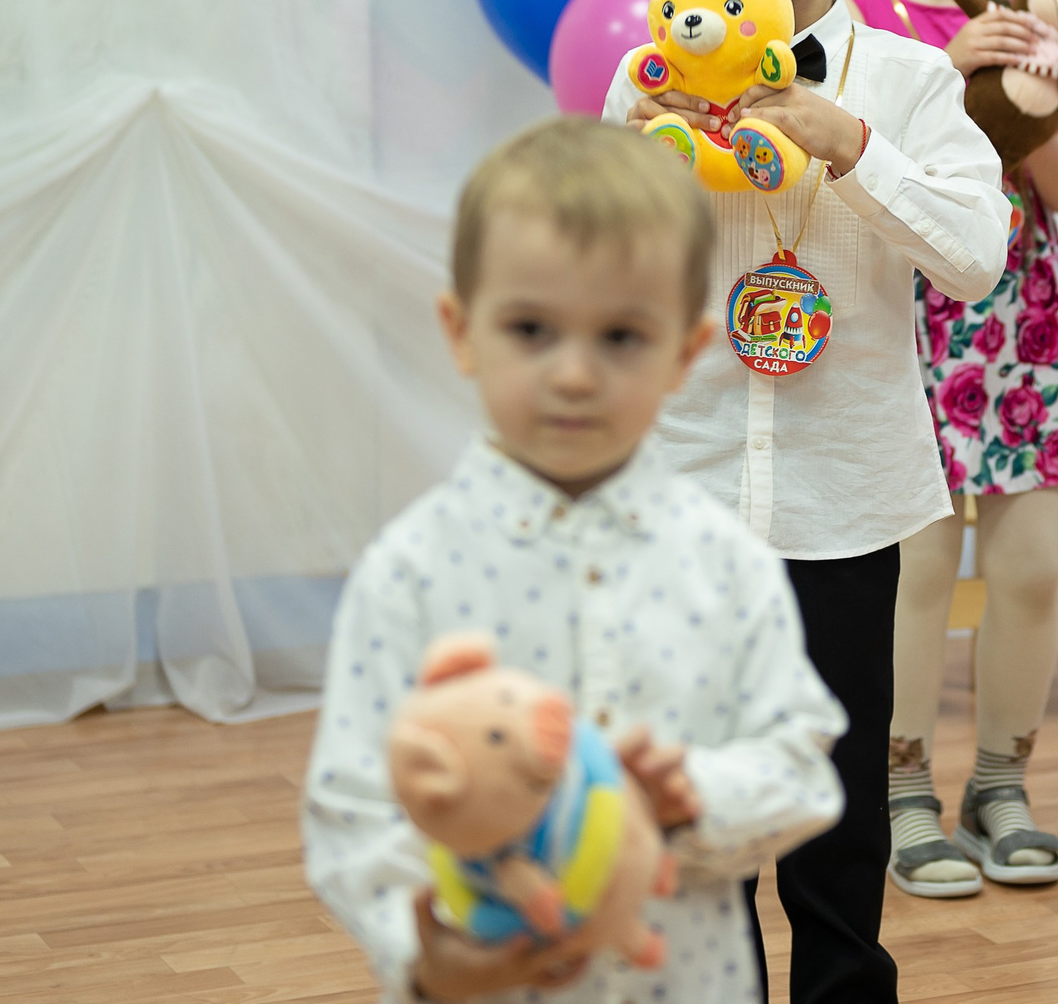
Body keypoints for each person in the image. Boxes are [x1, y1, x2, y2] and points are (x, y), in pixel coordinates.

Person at [604, 0, 1011, 1004]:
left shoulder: (907, 82)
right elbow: (597, 272)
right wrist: (643, 149)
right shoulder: (648, 78)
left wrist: (852, 148)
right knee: (698, 796)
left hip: (843, 497)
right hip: (686, 490)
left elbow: (976, 258)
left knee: (833, 803)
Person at [303, 116, 847, 1004]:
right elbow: (352, 809)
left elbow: (802, 768)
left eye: (621, 337)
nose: (574, 375)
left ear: (684, 353)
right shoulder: (410, 569)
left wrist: (689, 797)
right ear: (461, 331)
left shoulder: (728, 563)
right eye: (531, 329)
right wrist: (423, 953)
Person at [843, 0, 1058, 896]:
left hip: (1019, 317)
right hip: (901, 314)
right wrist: (946, 76)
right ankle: (901, 791)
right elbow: (841, 165)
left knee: (1033, 570)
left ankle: (1002, 784)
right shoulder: (852, 18)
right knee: (916, 573)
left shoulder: (1036, 14)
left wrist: (1039, 86)